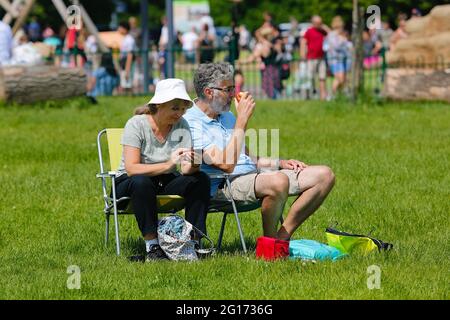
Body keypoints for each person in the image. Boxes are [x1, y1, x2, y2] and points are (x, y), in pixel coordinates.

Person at [184, 63, 335, 241]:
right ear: (209, 92)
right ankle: (271, 248)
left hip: (252, 176)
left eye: (234, 88)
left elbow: (245, 156)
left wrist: (280, 163)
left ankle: (281, 238)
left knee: (324, 175)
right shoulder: (190, 123)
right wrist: (242, 120)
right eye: (229, 89)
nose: (233, 94)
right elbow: (226, 164)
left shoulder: (226, 116)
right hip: (223, 186)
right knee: (278, 181)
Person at [115, 78, 211, 261]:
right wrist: (168, 164)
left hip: (163, 180)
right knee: (141, 182)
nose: (180, 114)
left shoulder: (181, 125)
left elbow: (185, 170)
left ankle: (193, 243)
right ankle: (153, 247)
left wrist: (195, 162)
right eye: (175, 108)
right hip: (129, 184)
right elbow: (131, 168)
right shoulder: (136, 124)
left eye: (183, 109)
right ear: (158, 105)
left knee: (201, 179)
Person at [300, 15, 329, 100]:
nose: (319, 24)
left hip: (321, 58)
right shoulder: (309, 31)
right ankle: (308, 95)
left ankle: (323, 96)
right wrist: (303, 56)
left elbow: (330, 33)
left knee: (322, 77)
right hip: (311, 58)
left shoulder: (322, 31)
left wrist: (323, 26)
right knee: (310, 78)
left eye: (320, 23)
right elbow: (303, 43)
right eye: (317, 23)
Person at [324, 16, 350, 97]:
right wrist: (342, 40)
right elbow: (335, 46)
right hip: (335, 60)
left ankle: (339, 95)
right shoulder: (332, 35)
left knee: (343, 79)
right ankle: (331, 95)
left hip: (343, 59)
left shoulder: (340, 35)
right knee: (339, 79)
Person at [118, 21, 137, 93]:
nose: (118, 29)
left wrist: (127, 69)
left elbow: (130, 55)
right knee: (125, 84)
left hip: (128, 64)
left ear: (124, 29)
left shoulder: (129, 40)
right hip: (124, 63)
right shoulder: (125, 39)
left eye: (120, 28)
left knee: (128, 84)